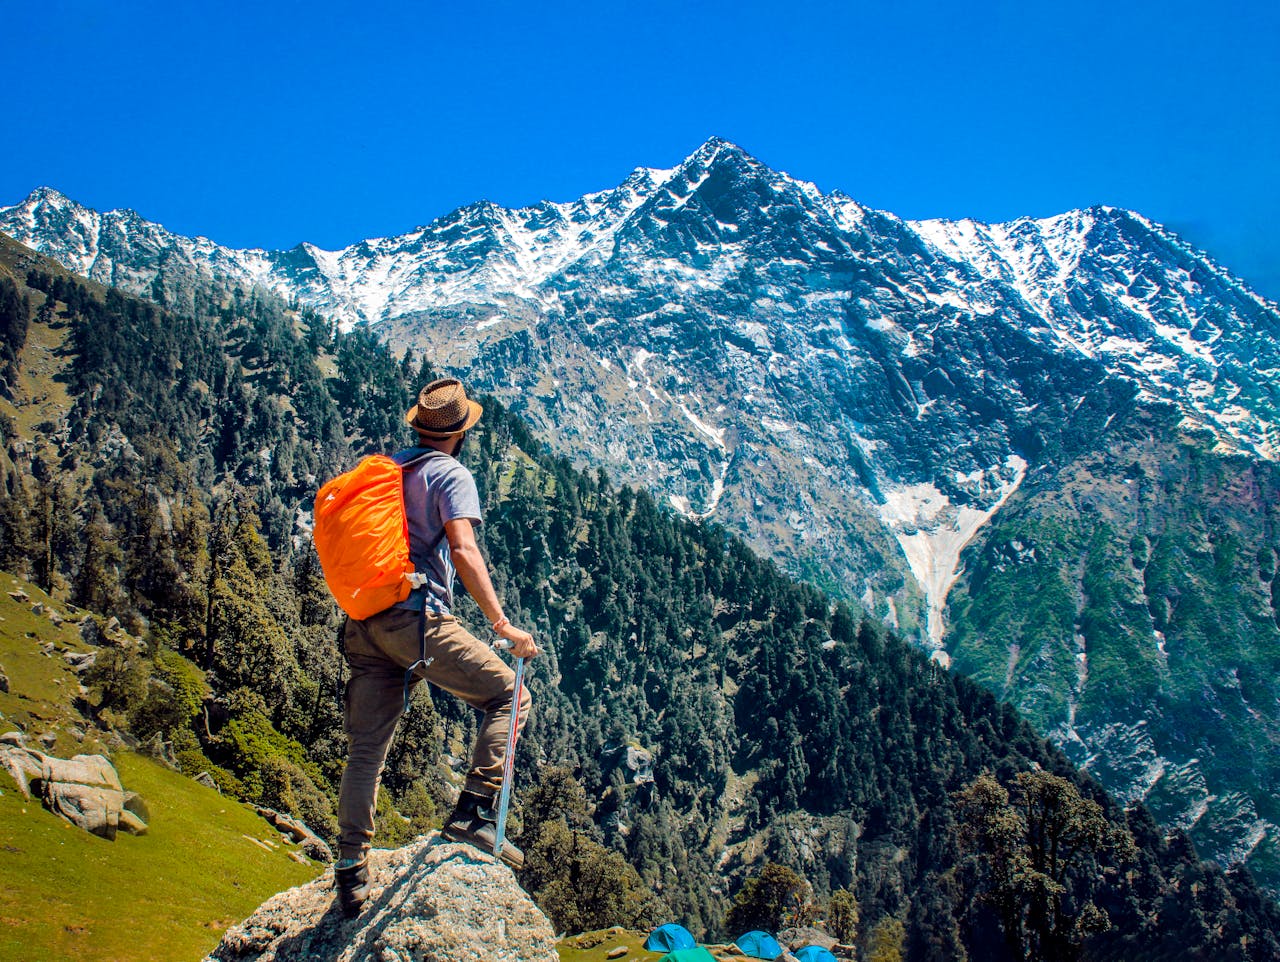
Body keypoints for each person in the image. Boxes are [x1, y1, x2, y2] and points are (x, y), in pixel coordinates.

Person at [333, 377, 538, 917]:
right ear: (460, 433)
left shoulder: (392, 470)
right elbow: (464, 550)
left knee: (365, 751)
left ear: (419, 426)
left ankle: (351, 872)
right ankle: (473, 816)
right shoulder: (451, 473)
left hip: (366, 622)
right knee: (507, 697)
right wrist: (502, 624)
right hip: (416, 620)